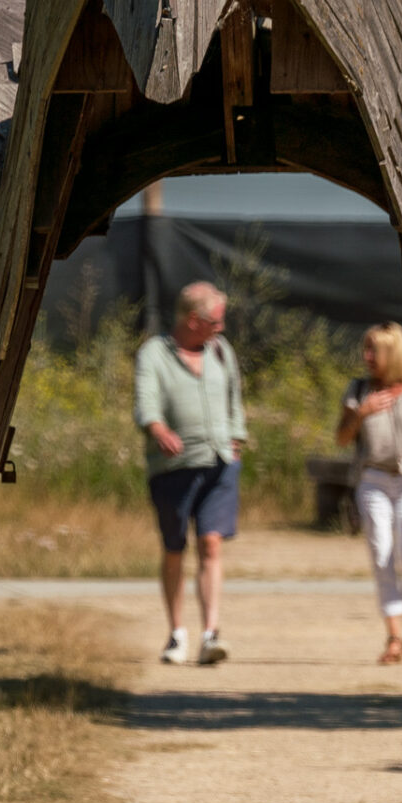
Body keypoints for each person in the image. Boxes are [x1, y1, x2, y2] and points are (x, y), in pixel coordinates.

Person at [135, 281, 248, 665]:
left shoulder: (221, 350)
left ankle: (211, 633)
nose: (222, 326)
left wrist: (236, 437)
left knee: (211, 543)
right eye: (216, 320)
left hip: (220, 463)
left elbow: (235, 396)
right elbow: (145, 401)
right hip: (173, 467)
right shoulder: (154, 353)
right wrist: (158, 429)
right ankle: (176, 634)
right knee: (174, 549)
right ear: (194, 320)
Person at [334, 322, 402, 665]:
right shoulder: (359, 389)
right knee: (382, 551)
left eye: (374, 350)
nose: (367, 357)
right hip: (374, 480)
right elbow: (341, 439)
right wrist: (360, 413)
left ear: (393, 352)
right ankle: (394, 636)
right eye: (365, 349)